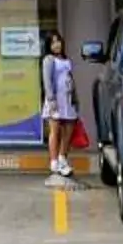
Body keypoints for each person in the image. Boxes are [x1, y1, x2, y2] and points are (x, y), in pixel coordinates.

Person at [40, 36, 77, 180]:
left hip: (68, 99)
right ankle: (54, 161)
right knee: (55, 131)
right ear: (49, 45)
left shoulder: (65, 59)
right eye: (53, 42)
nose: (56, 45)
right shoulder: (48, 60)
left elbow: (70, 79)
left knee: (69, 129)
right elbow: (47, 80)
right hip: (55, 100)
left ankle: (63, 158)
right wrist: (51, 99)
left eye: (58, 41)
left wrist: (76, 98)